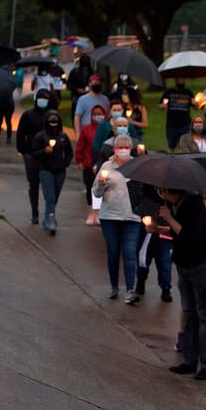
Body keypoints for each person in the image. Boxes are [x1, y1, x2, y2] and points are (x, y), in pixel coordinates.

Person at [159, 186, 206, 381]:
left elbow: (188, 235)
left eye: (161, 191)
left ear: (169, 190)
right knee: (189, 313)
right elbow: (177, 232)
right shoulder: (176, 204)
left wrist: (169, 218)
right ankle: (189, 360)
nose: (160, 194)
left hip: (202, 264)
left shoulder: (194, 203)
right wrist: (157, 229)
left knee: (205, 315)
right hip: (184, 264)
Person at [94, 135, 144, 304]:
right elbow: (96, 193)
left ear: (131, 148)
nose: (123, 150)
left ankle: (130, 290)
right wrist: (101, 184)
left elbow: (144, 191)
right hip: (110, 217)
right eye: (120, 147)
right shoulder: (107, 166)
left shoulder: (137, 166)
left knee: (130, 252)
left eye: (126, 147)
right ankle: (114, 286)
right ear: (114, 149)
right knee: (113, 252)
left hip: (132, 217)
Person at [30, 110, 73, 235]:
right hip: (45, 170)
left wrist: (65, 164)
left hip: (60, 171)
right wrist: (44, 151)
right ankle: (51, 220)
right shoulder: (40, 136)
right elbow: (34, 153)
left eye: (56, 120)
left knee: (55, 197)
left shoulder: (63, 137)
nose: (53, 122)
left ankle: (47, 217)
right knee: (50, 197)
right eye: (51, 120)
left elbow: (69, 153)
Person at [17, 90, 52, 224]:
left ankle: (49, 212)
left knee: (48, 185)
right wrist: (23, 151)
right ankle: (34, 211)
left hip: (47, 155)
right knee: (34, 184)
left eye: (45, 98)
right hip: (31, 154)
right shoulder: (28, 115)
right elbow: (21, 133)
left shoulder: (51, 116)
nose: (43, 100)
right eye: (40, 98)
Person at [75, 104, 108, 227]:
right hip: (88, 164)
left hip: (104, 164)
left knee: (103, 188)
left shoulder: (107, 129)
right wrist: (79, 160)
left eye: (100, 114)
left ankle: (99, 213)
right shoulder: (86, 129)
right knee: (90, 189)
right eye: (95, 114)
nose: (98, 116)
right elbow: (80, 145)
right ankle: (91, 213)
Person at [160, 79, 194, 150]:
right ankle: (172, 156)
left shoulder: (188, 93)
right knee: (171, 146)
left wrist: (196, 103)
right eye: (179, 79)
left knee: (185, 145)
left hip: (185, 124)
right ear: (175, 80)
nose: (181, 81)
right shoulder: (169, 92)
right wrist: (163, 105)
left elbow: (196, 107)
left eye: (182, 79)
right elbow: (161, 106)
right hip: (171, 124)